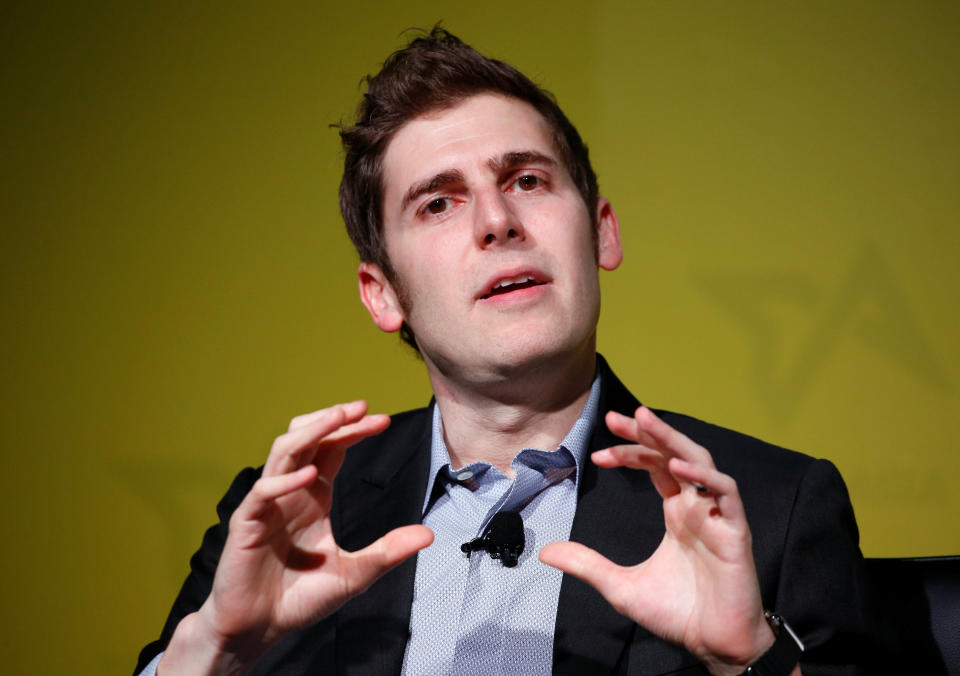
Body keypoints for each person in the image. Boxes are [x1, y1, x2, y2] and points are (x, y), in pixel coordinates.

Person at [134, 27, 882, 676]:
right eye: (438, 203)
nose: (496, 221)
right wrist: (213, 652)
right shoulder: (290, 516)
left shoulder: (772, 508)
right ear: (382, 293)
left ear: (601, 233)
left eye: (527, 179)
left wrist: (747, 660)